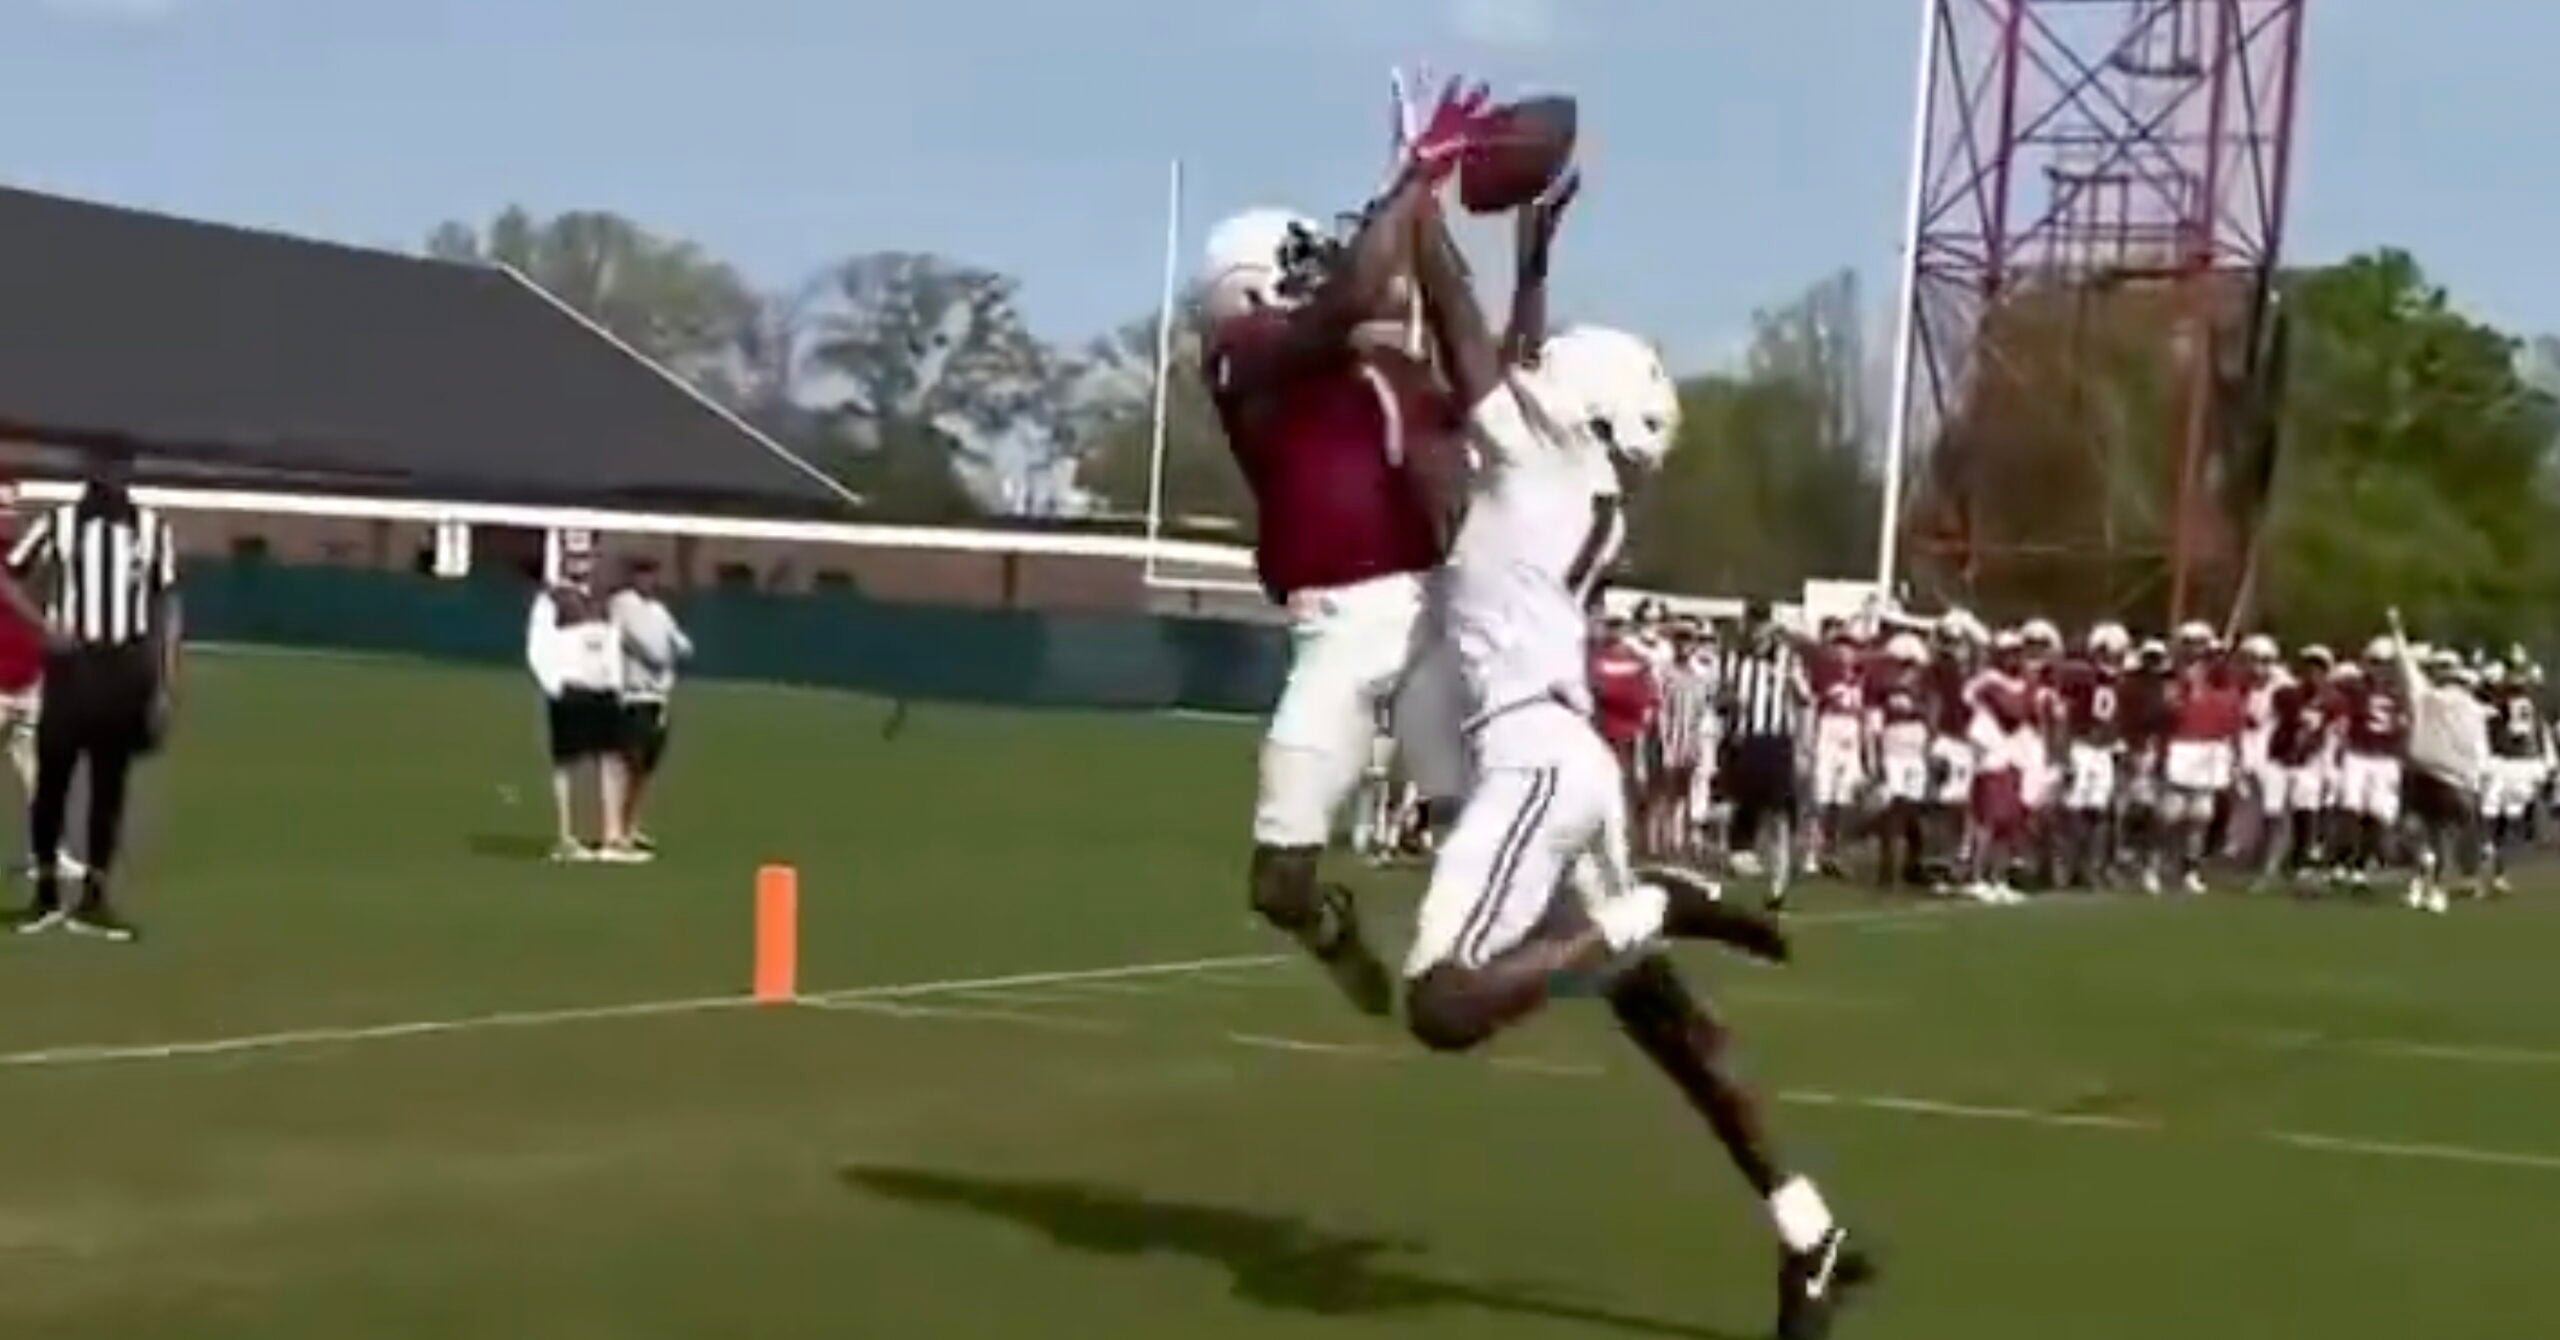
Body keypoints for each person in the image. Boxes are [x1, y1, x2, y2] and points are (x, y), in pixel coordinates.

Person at [1401, 169, 1872, 1340]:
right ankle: (1808, 1229)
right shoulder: (1571, 480)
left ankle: (1653, 902)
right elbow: (1506, 369)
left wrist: (1419, 193)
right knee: (1663, 1020)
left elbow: (1467, 343)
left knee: (1443, 1003)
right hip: (1572, 762)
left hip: (1536, 764)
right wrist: (1534, 261)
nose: (1539, 373)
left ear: (1587, 413)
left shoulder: (1543, 466)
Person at [1193, 82, 1491, 1015]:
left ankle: (1531, 961)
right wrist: (1416, 175)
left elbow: (1467, 358)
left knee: (1471, 827)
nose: (1321, 272)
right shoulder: (1247, 354)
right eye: (1302, 263)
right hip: (1333, 625)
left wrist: (1450, 225)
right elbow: (1361, 284)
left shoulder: (1380, 369)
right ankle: (1334, 929)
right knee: (1277, 882)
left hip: (1424, 612)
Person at [0, 450, 178, 939]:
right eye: (99, 474)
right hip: (71, 667)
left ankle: (94, 899)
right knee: (52, 783)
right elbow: (7, 575)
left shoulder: (152, 530)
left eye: (115, 474)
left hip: (124, 667)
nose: (107, 484)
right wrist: (43, 628)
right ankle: (45, 897)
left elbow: (167, 609)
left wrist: (164, 684)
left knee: (109, 785)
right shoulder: (58, 524)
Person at [527, 553, 644, 863]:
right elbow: (538, 645)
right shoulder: (552, 599)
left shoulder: (603, 601)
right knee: (566, 762)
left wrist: (617, 684)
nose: (581, 564)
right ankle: (565, 837)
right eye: (574, 558)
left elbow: (612, 646)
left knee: (611, 760)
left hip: (602, 691)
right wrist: (553, 684)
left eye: (586, 558)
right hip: (571, 690)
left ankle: (611, 839)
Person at [610, 557, 693, 851]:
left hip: (658, 697)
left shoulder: (659, 611)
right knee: (628, 762)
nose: (647, 581)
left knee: (645, 768)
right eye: (642, 574)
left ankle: (630, 827)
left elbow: (681, 643)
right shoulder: (622, 603)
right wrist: (660, 655)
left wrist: (674, 650)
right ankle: (615, 829)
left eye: (651, 575)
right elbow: (635, 642)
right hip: (632, 694)